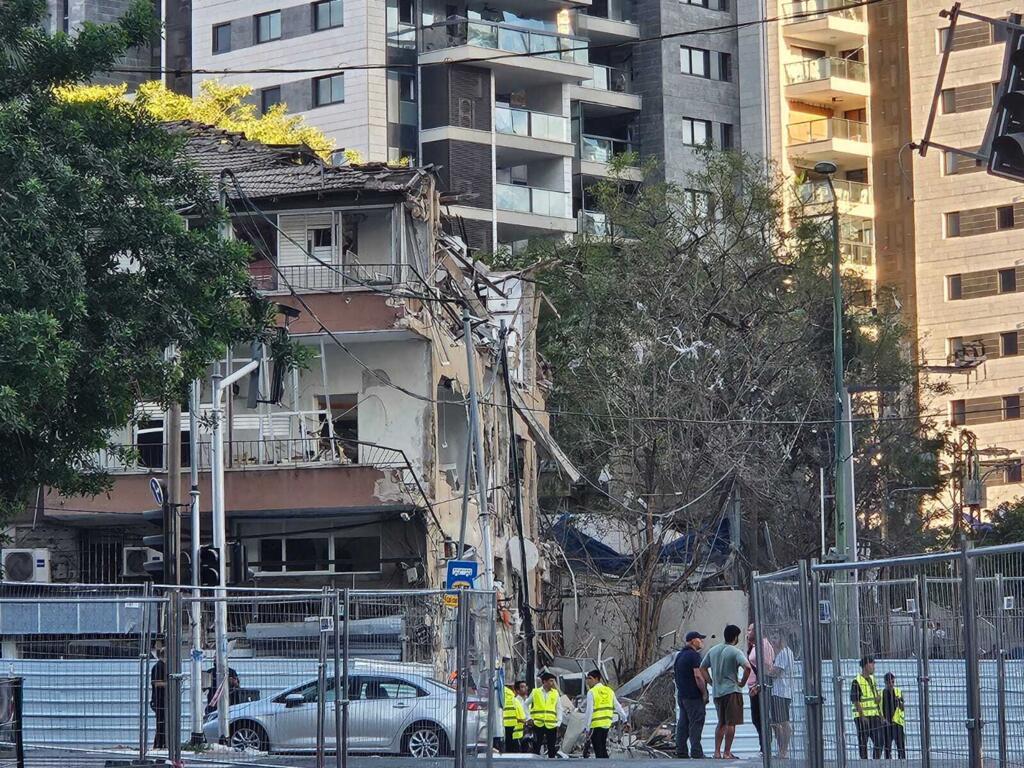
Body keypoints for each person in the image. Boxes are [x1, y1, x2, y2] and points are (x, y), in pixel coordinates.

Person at [700, 624, 751, 760]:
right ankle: (727, 752)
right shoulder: (735, 651)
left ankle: (717, 752)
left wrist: (711, 682)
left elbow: (702, 667)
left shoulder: (713, 650)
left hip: (718, 693)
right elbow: (747, 667)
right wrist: (742, 682)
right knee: (731, 723)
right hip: (732, 691)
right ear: (735, 637)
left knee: (721, 722)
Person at [673, 630, 708, 759]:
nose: (702, 641)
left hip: (682, 695)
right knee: (696, 722)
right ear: (693, 640)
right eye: (700, 639)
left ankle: (681, 751)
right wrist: (704, 692)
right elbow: (698, 676)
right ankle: (696, 752)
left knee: (683, 723)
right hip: (693, 696)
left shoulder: (680, 655)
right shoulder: (694, 656)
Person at [583, 669, 628, 759]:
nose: (587, 681)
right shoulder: (609, 691)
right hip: (606, 724)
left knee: (599, 750)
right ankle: (607, 764)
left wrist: (587, 728)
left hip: (595, 725)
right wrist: (624, 719)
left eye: (590, 678)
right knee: (602, 748)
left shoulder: (591, 692)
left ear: (596, 679)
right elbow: (617, 706)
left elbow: (589, 711)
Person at [746, 623, 775, 756]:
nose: (747, 632)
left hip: (759, 688)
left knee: (761, 718)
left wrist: (758, 685)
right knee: (756, 718)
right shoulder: (754, 646)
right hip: (752, 686)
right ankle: (763, 746)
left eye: (750, 630)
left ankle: (765, 747)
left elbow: (767, 667)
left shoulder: (763, 645)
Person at [851, 655, 883, 760]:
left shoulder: (872, 679)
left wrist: (878, 701)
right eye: (872, 663)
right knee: (863, 742)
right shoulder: (857, 681)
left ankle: (875, 762)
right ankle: (864, 763)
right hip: (862, 717)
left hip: (874, 716)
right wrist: (862, 715)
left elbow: (872, 696)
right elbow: (855, 700)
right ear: (866, 665)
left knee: (879, 741)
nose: (874, 666)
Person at [768, 632, 794, 760]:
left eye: (776, 637)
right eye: (772, 637)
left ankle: (784, 750)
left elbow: (776, 672)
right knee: (775, 722)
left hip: (782, 692)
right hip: (777, 691)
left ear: (782, 638)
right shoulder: (779, 653)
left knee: (783, 721)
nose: (773, 640)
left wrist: (766, 668)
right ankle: (781, 749)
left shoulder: (784, 653)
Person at [529, 672, 562, 758]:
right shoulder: (535, 692)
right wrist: (528, 718)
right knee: (536, 746)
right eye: (551, 681)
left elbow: (559, 708)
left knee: (551, 747)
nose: (552, 683)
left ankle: (551, 764)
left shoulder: (555, 693)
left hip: (551, 724)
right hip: (538, 723)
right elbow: (526, 704)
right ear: (544, 681)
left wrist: (559, 722)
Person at [882, 672, 907, 760]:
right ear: (885, 682)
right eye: (889, 682)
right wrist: (883, 720)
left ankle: (902, 763)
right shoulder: (881, 693)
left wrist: (899, 702)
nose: (891, 684)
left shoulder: (898, 692)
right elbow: (879, 709)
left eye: (893, 682)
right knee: (887, 749)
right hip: (886, 725)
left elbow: (903, 708)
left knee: (901, 748)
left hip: (897, 724)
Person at [150, 646, 167, 750]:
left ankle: (161, 743)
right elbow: (156, 683)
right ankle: (158, 744)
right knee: (161, 722)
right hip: (159, 700)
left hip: (164, 700)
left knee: (163, 722)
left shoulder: (164, 666)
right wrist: (169, 684)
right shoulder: (158, 667)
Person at [503, 682, 526, 753]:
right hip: (514, 729)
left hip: (506, 726)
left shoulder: (505, 698)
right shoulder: (513, 699)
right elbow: (521, 716)